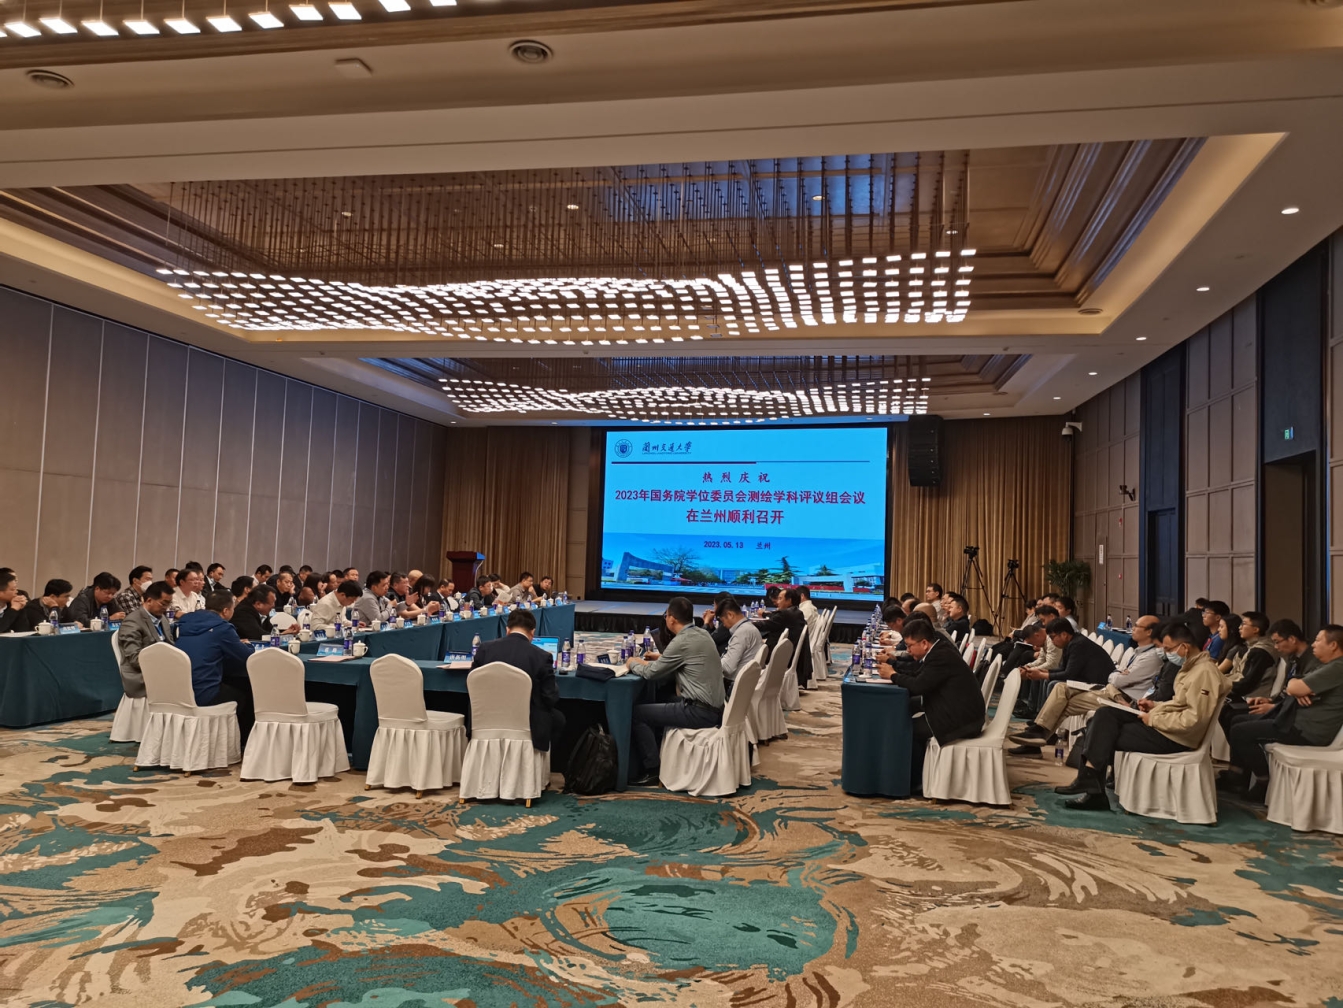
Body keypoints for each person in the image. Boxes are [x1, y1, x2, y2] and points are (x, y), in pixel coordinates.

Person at [1064, 622, 1229, 811]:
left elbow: (1193, 720)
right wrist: (1154, 706)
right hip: (1166, 726)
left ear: (1184, 647)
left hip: (1176, 738)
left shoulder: (1204, 673)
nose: (1166, 654)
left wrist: (1153, 719)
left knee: (1101, 732)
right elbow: (1180, 704)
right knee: (1104, 715)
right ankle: (1090, 783)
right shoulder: (1192, 667)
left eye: (1168, 649)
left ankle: (1091, 786)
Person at [1008, 615, 1165, 755]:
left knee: (1061, 700)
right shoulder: (1140, 652)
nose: (1133, 628)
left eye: (1137, 626)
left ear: (1149, 632)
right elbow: (1118, 675)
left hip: (1121, 698)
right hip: (1111, 690)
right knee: (1060, 689)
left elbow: (1117, 679)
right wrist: (1119, 674)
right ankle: (1036, 736)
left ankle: (1035, 738)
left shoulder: (1151, 657)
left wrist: (1117, 674)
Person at [1223, 625, 1343, 802]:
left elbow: (1295, 687)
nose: (1313, 644)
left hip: (1307, 729)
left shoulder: (1337, 667)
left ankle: (1263, 782)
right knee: (1237, 721)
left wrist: (1296, 687)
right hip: (1297, 720)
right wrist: (1296, 688)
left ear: (1333, 645)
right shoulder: (1328, 665)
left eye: (1318, 640)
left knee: (1240, 731)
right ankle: (1238, 775)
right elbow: (1295, 688)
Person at [625, 596, 726, 785]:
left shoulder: (681, 641)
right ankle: (659, 754)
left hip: (699, 711)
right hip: (716, 708)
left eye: (666, 616)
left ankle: (652, 768)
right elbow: (681, 660)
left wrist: (632, 663)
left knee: (637, 714)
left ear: (671, 619)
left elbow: (651, 673)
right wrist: (655, 660)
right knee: (659, 699)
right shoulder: (702, 633)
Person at [887, 619, 986, 782]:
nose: (908, 650)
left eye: (910, 646)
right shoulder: (938, 650)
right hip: (955, 708)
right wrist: (894, 670)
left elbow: (918, 686)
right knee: (904, 707)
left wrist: (893, 675)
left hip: (962, 720)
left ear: (924, 643)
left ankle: (914, 781)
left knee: (906, 729)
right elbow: (919, 675)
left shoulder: (940, 656)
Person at [470, 608, 564, 756]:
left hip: (485, 719)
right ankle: (542, 764)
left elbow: (472, 684)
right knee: (558, 719)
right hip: (525, 723)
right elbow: (550, 698)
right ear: (532, 632)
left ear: (507, 629)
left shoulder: (484, 649)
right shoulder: (542, 656)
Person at [175, 589, 256, 742]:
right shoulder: (222, 628)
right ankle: (238, 742)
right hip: (204, 692)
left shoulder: (184, 624)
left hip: (180, 690)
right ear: (225, 611)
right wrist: (247, 645)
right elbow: (246, 657)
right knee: (245, 693)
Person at [1218, 611, 1278, 735]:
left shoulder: (1261, 651)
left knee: (1225, 712)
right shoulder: (1251, 647)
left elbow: (1247, 684)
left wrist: (1221, 686)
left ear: (1255, 629)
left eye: (1244, 624)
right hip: (1247, 694)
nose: (1239, 627)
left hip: (1255, 697)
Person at [115, 581, 175, 698]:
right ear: (149, 600)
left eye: (169, 604)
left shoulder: (163, 619)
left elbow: (171, 646)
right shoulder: (132, 622)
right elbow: (135, 659)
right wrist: (163, 665)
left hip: (163, 668)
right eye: (163, 603)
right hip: (140, 675)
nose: (166, 608)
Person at [717, 598, 764, 692]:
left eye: (723, 621)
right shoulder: (749, 627)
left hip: (734, 686)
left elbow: (728, 668)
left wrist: (711, 661)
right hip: (747, 683)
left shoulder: (741, 633)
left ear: (730, 615)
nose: (724, 625)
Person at [759, 587, 806, 657]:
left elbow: (765, 625)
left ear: (789, 600)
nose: (778, 602)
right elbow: (775, 618)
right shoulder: (797, 612)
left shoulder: (785, 614)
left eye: (780, 599)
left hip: (776, 655)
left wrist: (747, 624)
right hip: (789, 653)